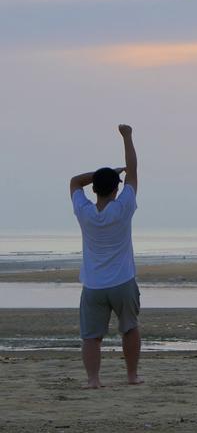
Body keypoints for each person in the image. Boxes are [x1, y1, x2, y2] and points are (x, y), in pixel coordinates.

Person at [70, 124, 142, 389]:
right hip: (123, 280)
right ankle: (132, 375)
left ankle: (93, 379)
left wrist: (105, 174)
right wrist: (127, 137)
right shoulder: (123, 208)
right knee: (130, 328)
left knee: (91, 337)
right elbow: (133, 171)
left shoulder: (85, 212)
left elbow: (75, 181)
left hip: (94, 284)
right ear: (115, 190)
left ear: (95, 190)